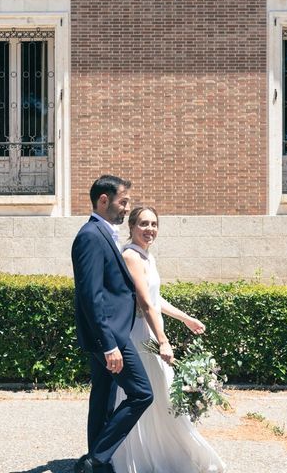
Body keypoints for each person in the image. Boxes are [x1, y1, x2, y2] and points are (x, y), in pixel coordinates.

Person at [111, 206, 226, 473]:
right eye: (143, 224)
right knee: (151, 393)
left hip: (152, 331)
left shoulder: (147, 257)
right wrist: (163, 340)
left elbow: (156, 298)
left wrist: (185, 318)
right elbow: (144, 302)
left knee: (163, 395)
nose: (149, 229)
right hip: (140, 336)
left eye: (153, 224)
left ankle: (169, 453)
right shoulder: (131, 256)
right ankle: (140, 457)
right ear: (131, 227)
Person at [72, 176, 173, 473]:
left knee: (102, 399)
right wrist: (110, 344)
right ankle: (96, 459)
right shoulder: (90, 235)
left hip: (113, 334)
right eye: (123, 202)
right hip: (112, 336)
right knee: (142, 393)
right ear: (104, 200)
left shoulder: (104, 234)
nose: (126, 208)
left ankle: (96, 463)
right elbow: (91, 296)